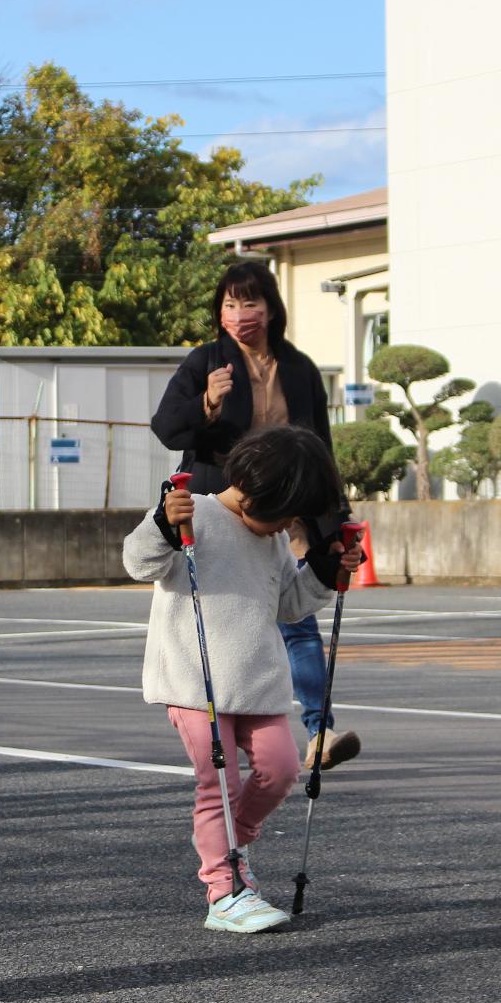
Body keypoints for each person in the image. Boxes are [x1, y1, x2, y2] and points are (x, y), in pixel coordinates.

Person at [123, 426, 365, 933]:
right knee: (218, 783)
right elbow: (139, 562)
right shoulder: (195, 514)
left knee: (279, 771)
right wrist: (162, 525)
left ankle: (236, 842)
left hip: (257, 683)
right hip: (195, 685)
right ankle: (225, 890)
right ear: (254, 492)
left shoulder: (272, 538)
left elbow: (287, 605)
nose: (287, 526)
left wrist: (321, 570)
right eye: (285, 514)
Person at [149, 260, 362, 773]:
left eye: (249, 303)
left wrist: (334, 524)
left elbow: (319, 447)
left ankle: (319, 731)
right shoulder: (205, 362)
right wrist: (207, 402)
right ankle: (223, 719)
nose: (239, 314)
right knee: (228, 619)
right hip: (222, 509)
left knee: (300, 622)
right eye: (229, 304)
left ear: (270, 308)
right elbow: (166, 428)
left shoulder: (299, 369)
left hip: (286, 513)